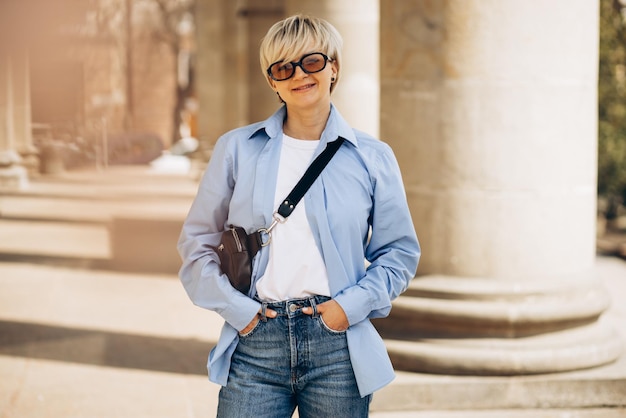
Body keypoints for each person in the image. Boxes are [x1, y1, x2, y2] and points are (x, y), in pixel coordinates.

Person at [178, 14, 420, 418]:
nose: (299, 75)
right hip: (257, 344)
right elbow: (196, 245)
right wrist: (241, 313)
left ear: (333, 67)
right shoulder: (237, 149)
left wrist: (349, 309)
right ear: (272, 81)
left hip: (338, 350)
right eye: (283, 67)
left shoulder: (372, 158)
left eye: (311, 61)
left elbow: (398, 254)